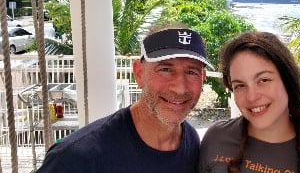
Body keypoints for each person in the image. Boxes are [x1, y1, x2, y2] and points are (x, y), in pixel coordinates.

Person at [37, 25, 214, 173]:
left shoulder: (191, 141)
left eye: (191, 72)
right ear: (138, 73)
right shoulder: (75, 158)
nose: (180, 87)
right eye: (165, 69)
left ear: (203, 77)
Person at [199, 31, 300, 173]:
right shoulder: (216, 138)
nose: (252, 97)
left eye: (264, 80)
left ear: (287, 81)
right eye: (240, 85)